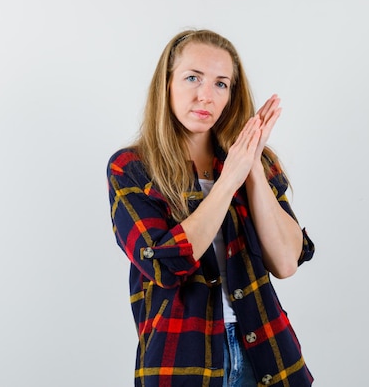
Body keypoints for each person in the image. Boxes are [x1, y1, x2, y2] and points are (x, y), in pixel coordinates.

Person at [106, 29, 315, 387]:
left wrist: (250, 171)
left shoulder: (254, 163)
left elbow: (285, 262)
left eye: (222, 84)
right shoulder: (131, 168)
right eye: (192, 78)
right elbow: (166, 266)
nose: (206, 96)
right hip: (180, 361)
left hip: (266, 354)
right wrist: (228, 181)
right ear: (167, 84)